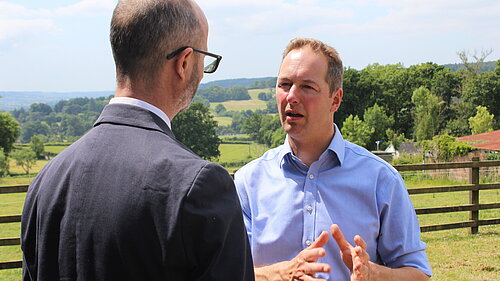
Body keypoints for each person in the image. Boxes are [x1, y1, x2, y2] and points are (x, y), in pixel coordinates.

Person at [21, 1, 254, 280]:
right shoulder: (198, 185)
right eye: (205, 60)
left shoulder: (47, 180)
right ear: (184, 62)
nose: (203, 73)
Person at [234, 38, 432, 281]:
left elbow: (418, 274)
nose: (292, 96)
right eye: (285, 84)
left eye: (307, 87)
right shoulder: (248, 182)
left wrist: (374, 274)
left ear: (335, 100)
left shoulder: (381, 179)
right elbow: (225, 270)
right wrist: (278, 274)